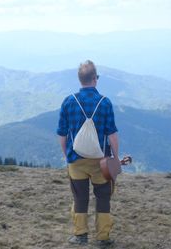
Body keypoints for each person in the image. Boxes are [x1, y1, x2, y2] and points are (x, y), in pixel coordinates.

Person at [57, 60, 119, 247]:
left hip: (76, 160)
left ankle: (80, 235)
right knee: (103, 198)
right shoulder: (105, 103)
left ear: (80, 79)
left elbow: (62, 134)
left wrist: (68, 157)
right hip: (100, 161)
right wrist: (115, 158)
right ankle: (102, 238)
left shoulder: (69, 102)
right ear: (94, 79)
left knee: (79, 197)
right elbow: (112, 135)